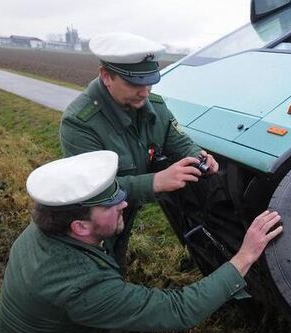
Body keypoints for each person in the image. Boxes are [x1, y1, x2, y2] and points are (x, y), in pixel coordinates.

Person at [0, 151, 282, 333]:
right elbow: (179, 310)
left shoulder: (48, 226)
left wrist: (162, 179)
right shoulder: (80, 284)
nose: (124, 204)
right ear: (80, 227)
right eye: (111, 204)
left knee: (138, 323)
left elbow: (125, 191)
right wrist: (245, 256)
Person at [59, 32, 216, 271]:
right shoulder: (80, 123)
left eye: (149, 81)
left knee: (116, 261)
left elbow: (178, 141)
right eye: (134, 83)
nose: (144, 92)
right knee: (91, 271)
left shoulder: (156, 106)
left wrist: (198, 156)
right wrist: (156, 182)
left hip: (124, 213)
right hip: (89, 223)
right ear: (106, 76)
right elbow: (94, 192)